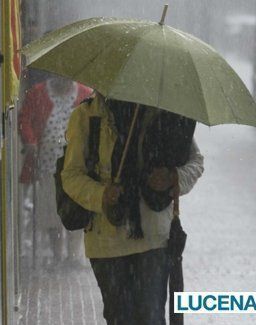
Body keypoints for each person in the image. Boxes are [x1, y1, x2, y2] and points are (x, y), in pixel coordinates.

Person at [61, 93, 204, 324]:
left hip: (154, 238)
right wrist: (101, 194)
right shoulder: (88, 116)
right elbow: (70, 175)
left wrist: (173, 176)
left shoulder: (164, 113)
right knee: (119, 318)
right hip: (106, 242)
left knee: (151, 316)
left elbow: (195, 161)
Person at [18, 75, 93, 265]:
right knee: (51, 211)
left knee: (75, 207)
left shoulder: (85, 94)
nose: (64, 80)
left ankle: (74, 254)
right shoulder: (37, 94)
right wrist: (31, 142)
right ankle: (57, 253)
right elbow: (24, 119)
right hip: (47, 166)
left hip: (76, 166)